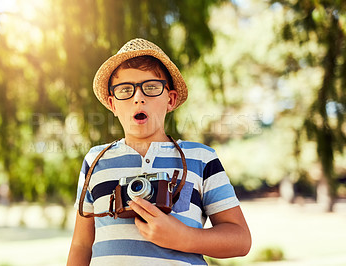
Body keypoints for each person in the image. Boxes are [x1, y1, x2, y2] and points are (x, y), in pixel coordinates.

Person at [67, 38, 251, 265]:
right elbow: (81, 245)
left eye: (151, 87)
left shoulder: (201, 159)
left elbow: (241, 239)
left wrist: (184, 237)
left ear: (170, 99)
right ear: (113, 105)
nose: (138, 97)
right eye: (125, 90)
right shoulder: (96, 161)